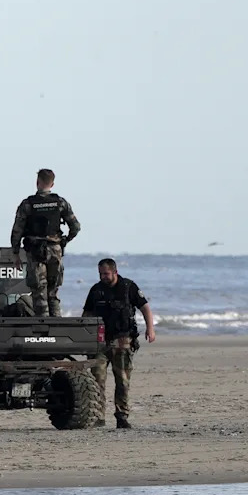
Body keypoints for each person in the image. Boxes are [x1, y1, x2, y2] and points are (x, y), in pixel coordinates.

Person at [83, 258, 156, 429]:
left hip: (122, 340)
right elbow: (86, 314)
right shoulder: (96, 290)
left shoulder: (128, 287)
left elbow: (145, 307)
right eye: (100, 274)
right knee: (96, 380)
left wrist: (150, 329)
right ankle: (98, 416)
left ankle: (122, 416)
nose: (103, 277)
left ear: (115, 272)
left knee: (122, 381)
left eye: (106, 274)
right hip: (99, 342)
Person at [10, 168, 81, 317]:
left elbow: (17, 229)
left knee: (39, 292)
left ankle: (43, 331)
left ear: (37, 182)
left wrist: (15, 252)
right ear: (52, 184)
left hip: (36, 251)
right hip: (55, 249)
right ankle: (57, 327)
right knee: (53, 293)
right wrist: (65, 241)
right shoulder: (60, 203)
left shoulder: (28, 204)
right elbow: (75, 226)